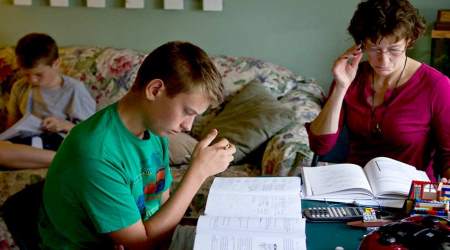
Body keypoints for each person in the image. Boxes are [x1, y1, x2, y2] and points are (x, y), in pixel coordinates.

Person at [39, 41, 236, 249]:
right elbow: (140, 245)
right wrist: (198, 172)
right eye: (188, 112)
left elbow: (162, 207)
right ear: (155, 89)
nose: (188, 126)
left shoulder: (156, 129)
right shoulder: (96, 153)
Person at [307, 0, 450, 179]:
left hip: (407, 194)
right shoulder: (351, 76)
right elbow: (321, 146)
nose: (383, 61)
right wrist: (341, 87)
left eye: (394, 50)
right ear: (361, 45)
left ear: (409, 42)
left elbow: (448, 155)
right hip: (355, 189)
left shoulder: (436, 85)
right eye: (374, 49)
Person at [6, 33, 95, 150]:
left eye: (39, 74)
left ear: (56, 63)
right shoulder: (20, 87)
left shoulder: (74, 89)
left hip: (58, 142)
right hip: (26, 142)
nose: (32, 80)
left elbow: (91, 132)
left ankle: (55, 158)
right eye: (26, 74)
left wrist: (63, 125)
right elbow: (12, 124)